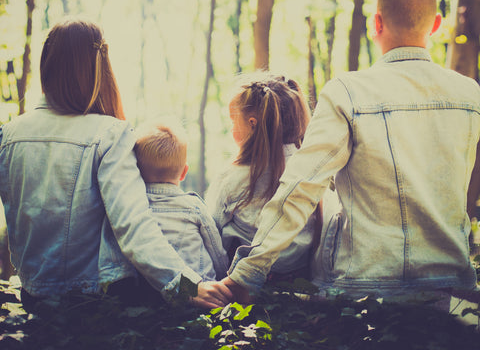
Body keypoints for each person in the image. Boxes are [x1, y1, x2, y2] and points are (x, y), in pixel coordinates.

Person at [218, 0, 480, 303]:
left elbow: (301, 187)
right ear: (437, 24)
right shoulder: (470, 95)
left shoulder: (349, 93)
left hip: (364, 286)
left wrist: (248, 272)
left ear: (377, 23)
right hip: (452, 282)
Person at [0, 19, 232, 310]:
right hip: (92, 302)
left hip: (34, 296)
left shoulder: (8, 135)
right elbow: (133, 225)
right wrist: (185, 286)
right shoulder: (109, 134)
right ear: (99, 68)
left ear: (46, 65)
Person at [205, 73, 317, 279]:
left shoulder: (232, 178)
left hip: (243, 283)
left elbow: (211, 234)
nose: (231, 128)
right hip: (300, 278)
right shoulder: (312, 172)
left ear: (252, 124)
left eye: (233, 121)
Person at [134, 120, 228, 281]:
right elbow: (216, 252)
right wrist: (223, 278)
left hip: (153, 293)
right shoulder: (194, 207)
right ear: (184, 172)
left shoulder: (132, 209)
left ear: (135, 170)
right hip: (201, 288)